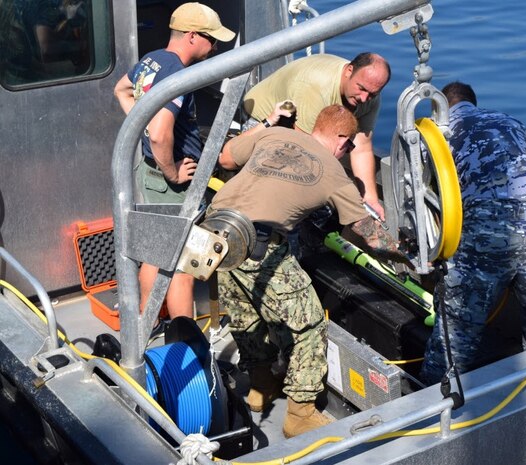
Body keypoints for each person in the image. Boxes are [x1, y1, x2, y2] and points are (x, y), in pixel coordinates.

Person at [210, 105, 405, 438]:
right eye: (348, 147)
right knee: (310, 324)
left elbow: (226, 157)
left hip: (216, 233)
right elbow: (366, 230)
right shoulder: (331, 170)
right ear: (342, 138)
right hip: (259, 243)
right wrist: (408, 254)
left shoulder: (275, 133)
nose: (347, 153)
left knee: (246, 314)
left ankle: (260, 385)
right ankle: (300, 413)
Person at [420, 82, 526, 385]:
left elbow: (429, 198)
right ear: (474, 102)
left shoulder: (437, 133)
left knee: (457, 328)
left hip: (487, 227)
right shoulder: (511, 122)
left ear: (439, 108)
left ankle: (432, 401)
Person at [113, 2, 235, 320]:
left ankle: (143, 323)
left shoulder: (152, 60)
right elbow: (159, 135)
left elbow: (122, 90)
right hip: (170, 182)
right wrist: (174, 172)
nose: (216, 46)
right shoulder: (175, 72)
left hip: (151, 176)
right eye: (212, 39)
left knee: (155, 254)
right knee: (182, 266)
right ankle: (186, 339)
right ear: (192, 36)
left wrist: (142, 125)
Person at [241, 52, 391, 219]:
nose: (364, 98)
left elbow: (361, 147)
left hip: (309, 130)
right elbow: (304, 151)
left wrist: (370, 198)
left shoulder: (369, 98)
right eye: (361, 88)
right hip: (265, 121)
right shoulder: (316, 87)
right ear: (349, 71)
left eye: (372, 94)